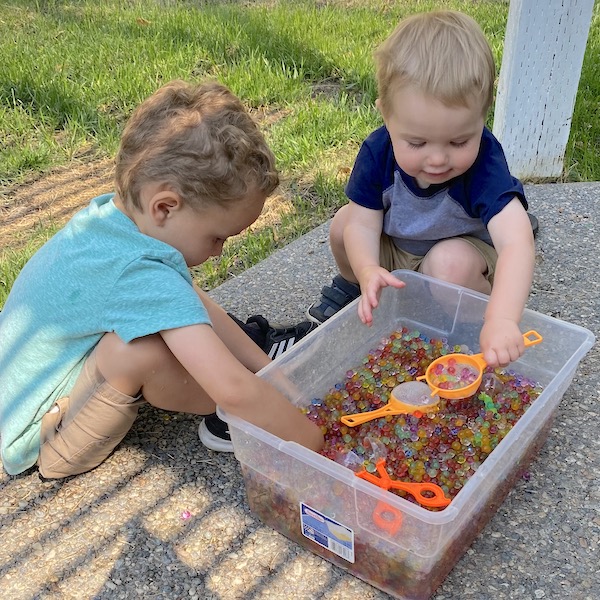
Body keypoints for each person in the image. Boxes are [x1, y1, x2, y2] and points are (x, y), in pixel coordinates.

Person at [0, 80, 323, 479]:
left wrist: (270, 374)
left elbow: (186, 297)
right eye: (217, 237)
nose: (220, 250)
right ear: (165, 207)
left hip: (20, 396)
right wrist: (316, 445)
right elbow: (232, 387)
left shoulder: (110, 222)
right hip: (40, 432)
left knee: (170, 309)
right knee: (141, 353)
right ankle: (232, 419)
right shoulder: (139, 271)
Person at [307, 10, 536, 368]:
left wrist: (502, 319)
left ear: (482, 117)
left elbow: (517, 241)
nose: (438, 159)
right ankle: (359, 287)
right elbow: (363, 224)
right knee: (343, 223)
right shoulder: (378, 152)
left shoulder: (484, 163)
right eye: (417, 143)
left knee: (449, 263)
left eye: (459, 141)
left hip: (462, 250)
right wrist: (367, 269)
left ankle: (465, 321)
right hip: (399, 248)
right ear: (386, 115)